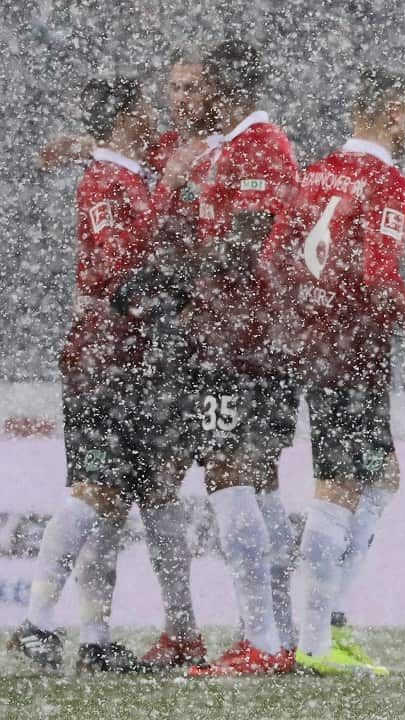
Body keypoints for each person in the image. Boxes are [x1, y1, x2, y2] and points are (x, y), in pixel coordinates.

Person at [262, 65, 405, 676]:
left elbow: (272, 256)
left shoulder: (315, 173)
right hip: (354, 349)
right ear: (394, 112)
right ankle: (316, 640)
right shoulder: (385, 179)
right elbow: (380, 274)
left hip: (311, 342)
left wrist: (302, 316)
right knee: (339, 488)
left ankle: (327, 622)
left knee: (382, 477)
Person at [9, 77, 159, 673]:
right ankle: (35, 626)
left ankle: (95, 639)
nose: (154, 116)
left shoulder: (125, 173)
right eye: (144, 107)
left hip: (129, 359)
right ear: (125, 117)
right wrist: (173, 300)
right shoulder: (106, 181)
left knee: (114, 501)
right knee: (93, 490)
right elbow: (113, 275)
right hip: (104, 360)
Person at [181, 39, 300, 678]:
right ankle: (277, 638)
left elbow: (252, 237)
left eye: (201, 89)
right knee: (258, 478)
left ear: (226, 91)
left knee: (228, 472)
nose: (191, 101)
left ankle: (261, 639)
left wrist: (182, 273)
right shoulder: (230, 147)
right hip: (249, 335)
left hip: (243, 337)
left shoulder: (260, 144)